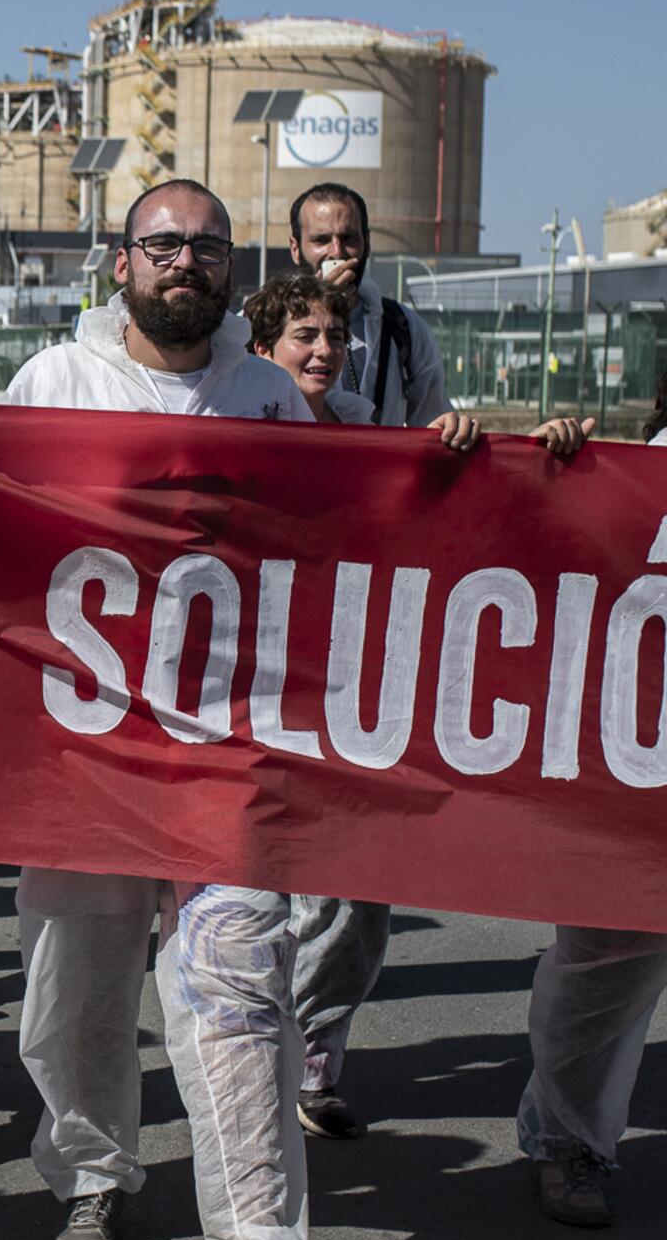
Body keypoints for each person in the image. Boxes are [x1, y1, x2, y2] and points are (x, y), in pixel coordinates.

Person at [4, 179, 371, 1240]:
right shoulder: (53, 384)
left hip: (223, 749)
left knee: (236, 982)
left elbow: (329, 549)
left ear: (228, 269)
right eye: (162, 244)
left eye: (207, 247)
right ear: (119, 262)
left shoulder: (266, 395)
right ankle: (95, 1169)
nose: (184, 262)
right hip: (82, 749)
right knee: (74, 989)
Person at [243, 272, 590, 1139]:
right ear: (260, 351)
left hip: (355, 690)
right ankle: (251, 1061)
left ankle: (311, 1056)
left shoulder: (376, 433)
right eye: (302, 337)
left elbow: (454, 514)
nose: (324, 351)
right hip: (249, 692)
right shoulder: (227, 425)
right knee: (251, 902)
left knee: (358, 901)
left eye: (334, 336)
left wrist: (524, 452)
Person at [512, 377, 660, 1225]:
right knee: (610, 955)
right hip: (637, 754)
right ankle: (569, 1138)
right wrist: (551, 471)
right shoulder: (641, 473)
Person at [287, 181, 449, 427]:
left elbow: (432, 419)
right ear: (296, 249)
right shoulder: (264, 324)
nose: (337, 252)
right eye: (321, 240)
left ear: (367, 243)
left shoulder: (403, 327)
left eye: (348, 238)